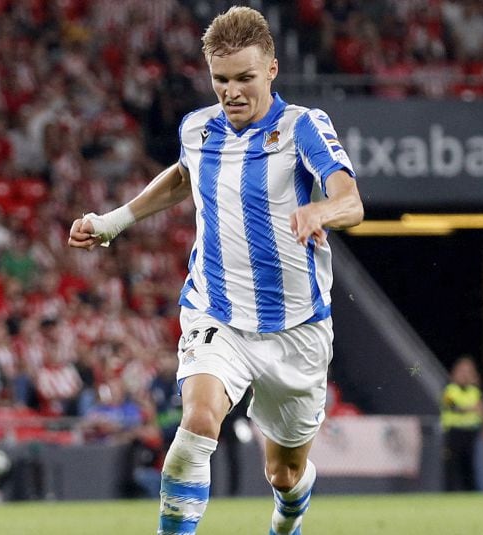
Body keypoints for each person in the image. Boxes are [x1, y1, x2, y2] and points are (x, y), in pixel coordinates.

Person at [68, 7, 364, 535]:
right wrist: (113, 222)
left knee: (284, 473)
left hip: (296, 329)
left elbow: (351, 200)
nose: (231, 92)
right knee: (198, 421)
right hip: (217, 312)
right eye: (221, 79)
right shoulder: (197, 128)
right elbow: (183, 177)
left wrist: (321, 210)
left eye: (244, 78)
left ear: (271, 69)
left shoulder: (302, 127)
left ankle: (288, 515)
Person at [440, 355, 483, 491]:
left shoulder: (474, 391)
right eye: (462, 371)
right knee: (452, 465)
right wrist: (470, 408)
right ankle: (450, 493)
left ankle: (471, 493)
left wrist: (467, 409)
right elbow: (452, 407)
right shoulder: (449, 390)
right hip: (453, 433)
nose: (465, 375)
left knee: (470, 466)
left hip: (471, 433)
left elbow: (481, 409)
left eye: (468, 371)